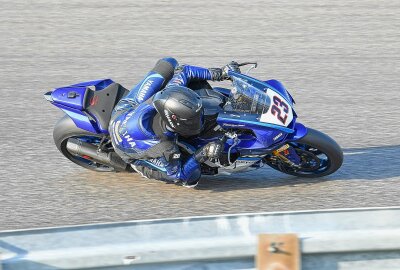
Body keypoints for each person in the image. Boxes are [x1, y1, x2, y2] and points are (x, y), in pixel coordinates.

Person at [109, 57, 237, 187]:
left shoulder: (171, 93)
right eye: (192, 120)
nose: (199, 121)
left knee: (169, 63)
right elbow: (179, 174)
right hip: (126, 149)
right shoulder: (167, 148)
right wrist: (203, 153)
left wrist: (221, 73)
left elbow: (185, 71)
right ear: (175, 121)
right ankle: (137, 166)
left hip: (126, 108)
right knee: (191, 178)